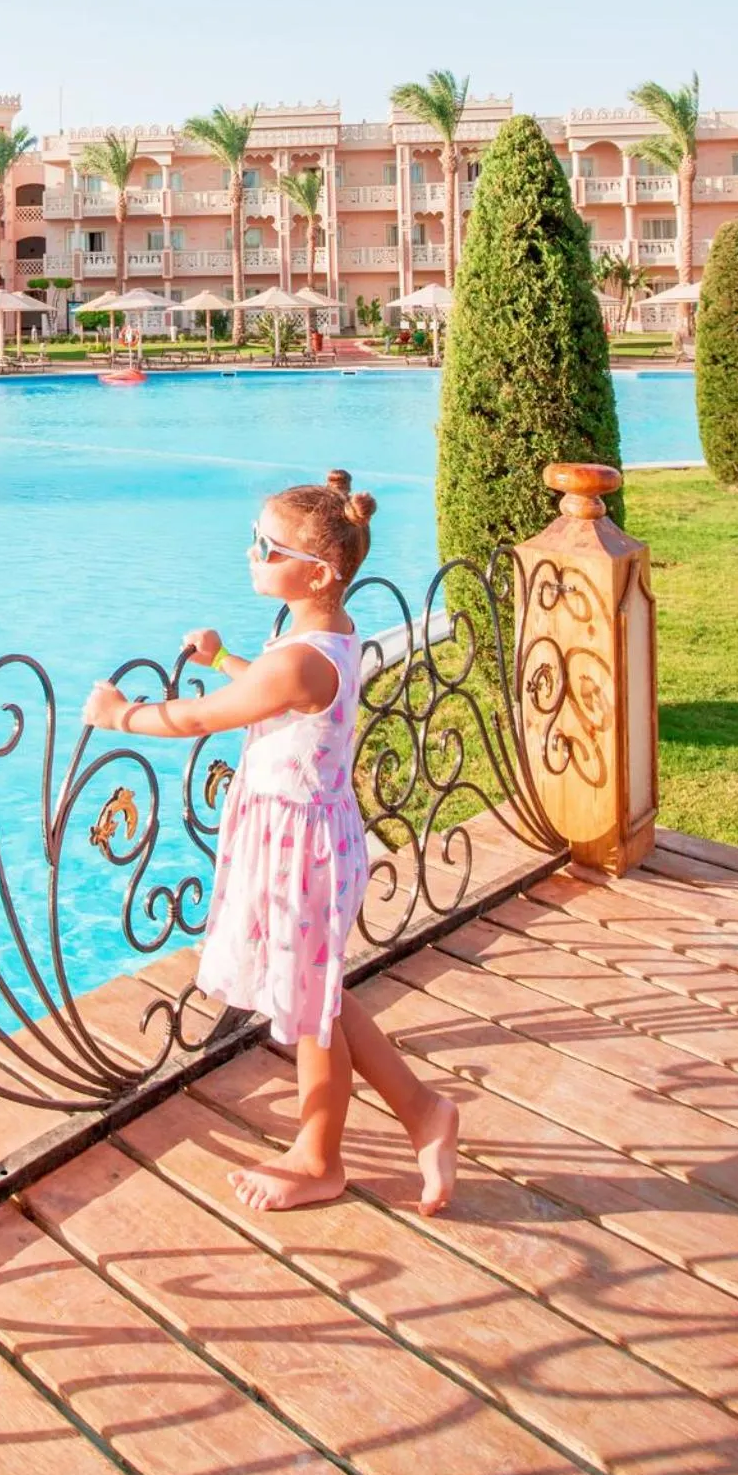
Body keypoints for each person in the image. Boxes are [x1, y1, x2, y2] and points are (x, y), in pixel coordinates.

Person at [83, 469, 458, 1216]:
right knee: (316, 992)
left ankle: (320, 1158)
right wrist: (224, 657)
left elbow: (198, 721)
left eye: (268, 547)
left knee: (309, 1006)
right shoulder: (321, 635)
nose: (252, 553)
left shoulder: (298, 659)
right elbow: (270, 688)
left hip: (299, 851)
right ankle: (424, 1112)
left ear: (317, 570)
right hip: (307, 834)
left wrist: (120, 714)